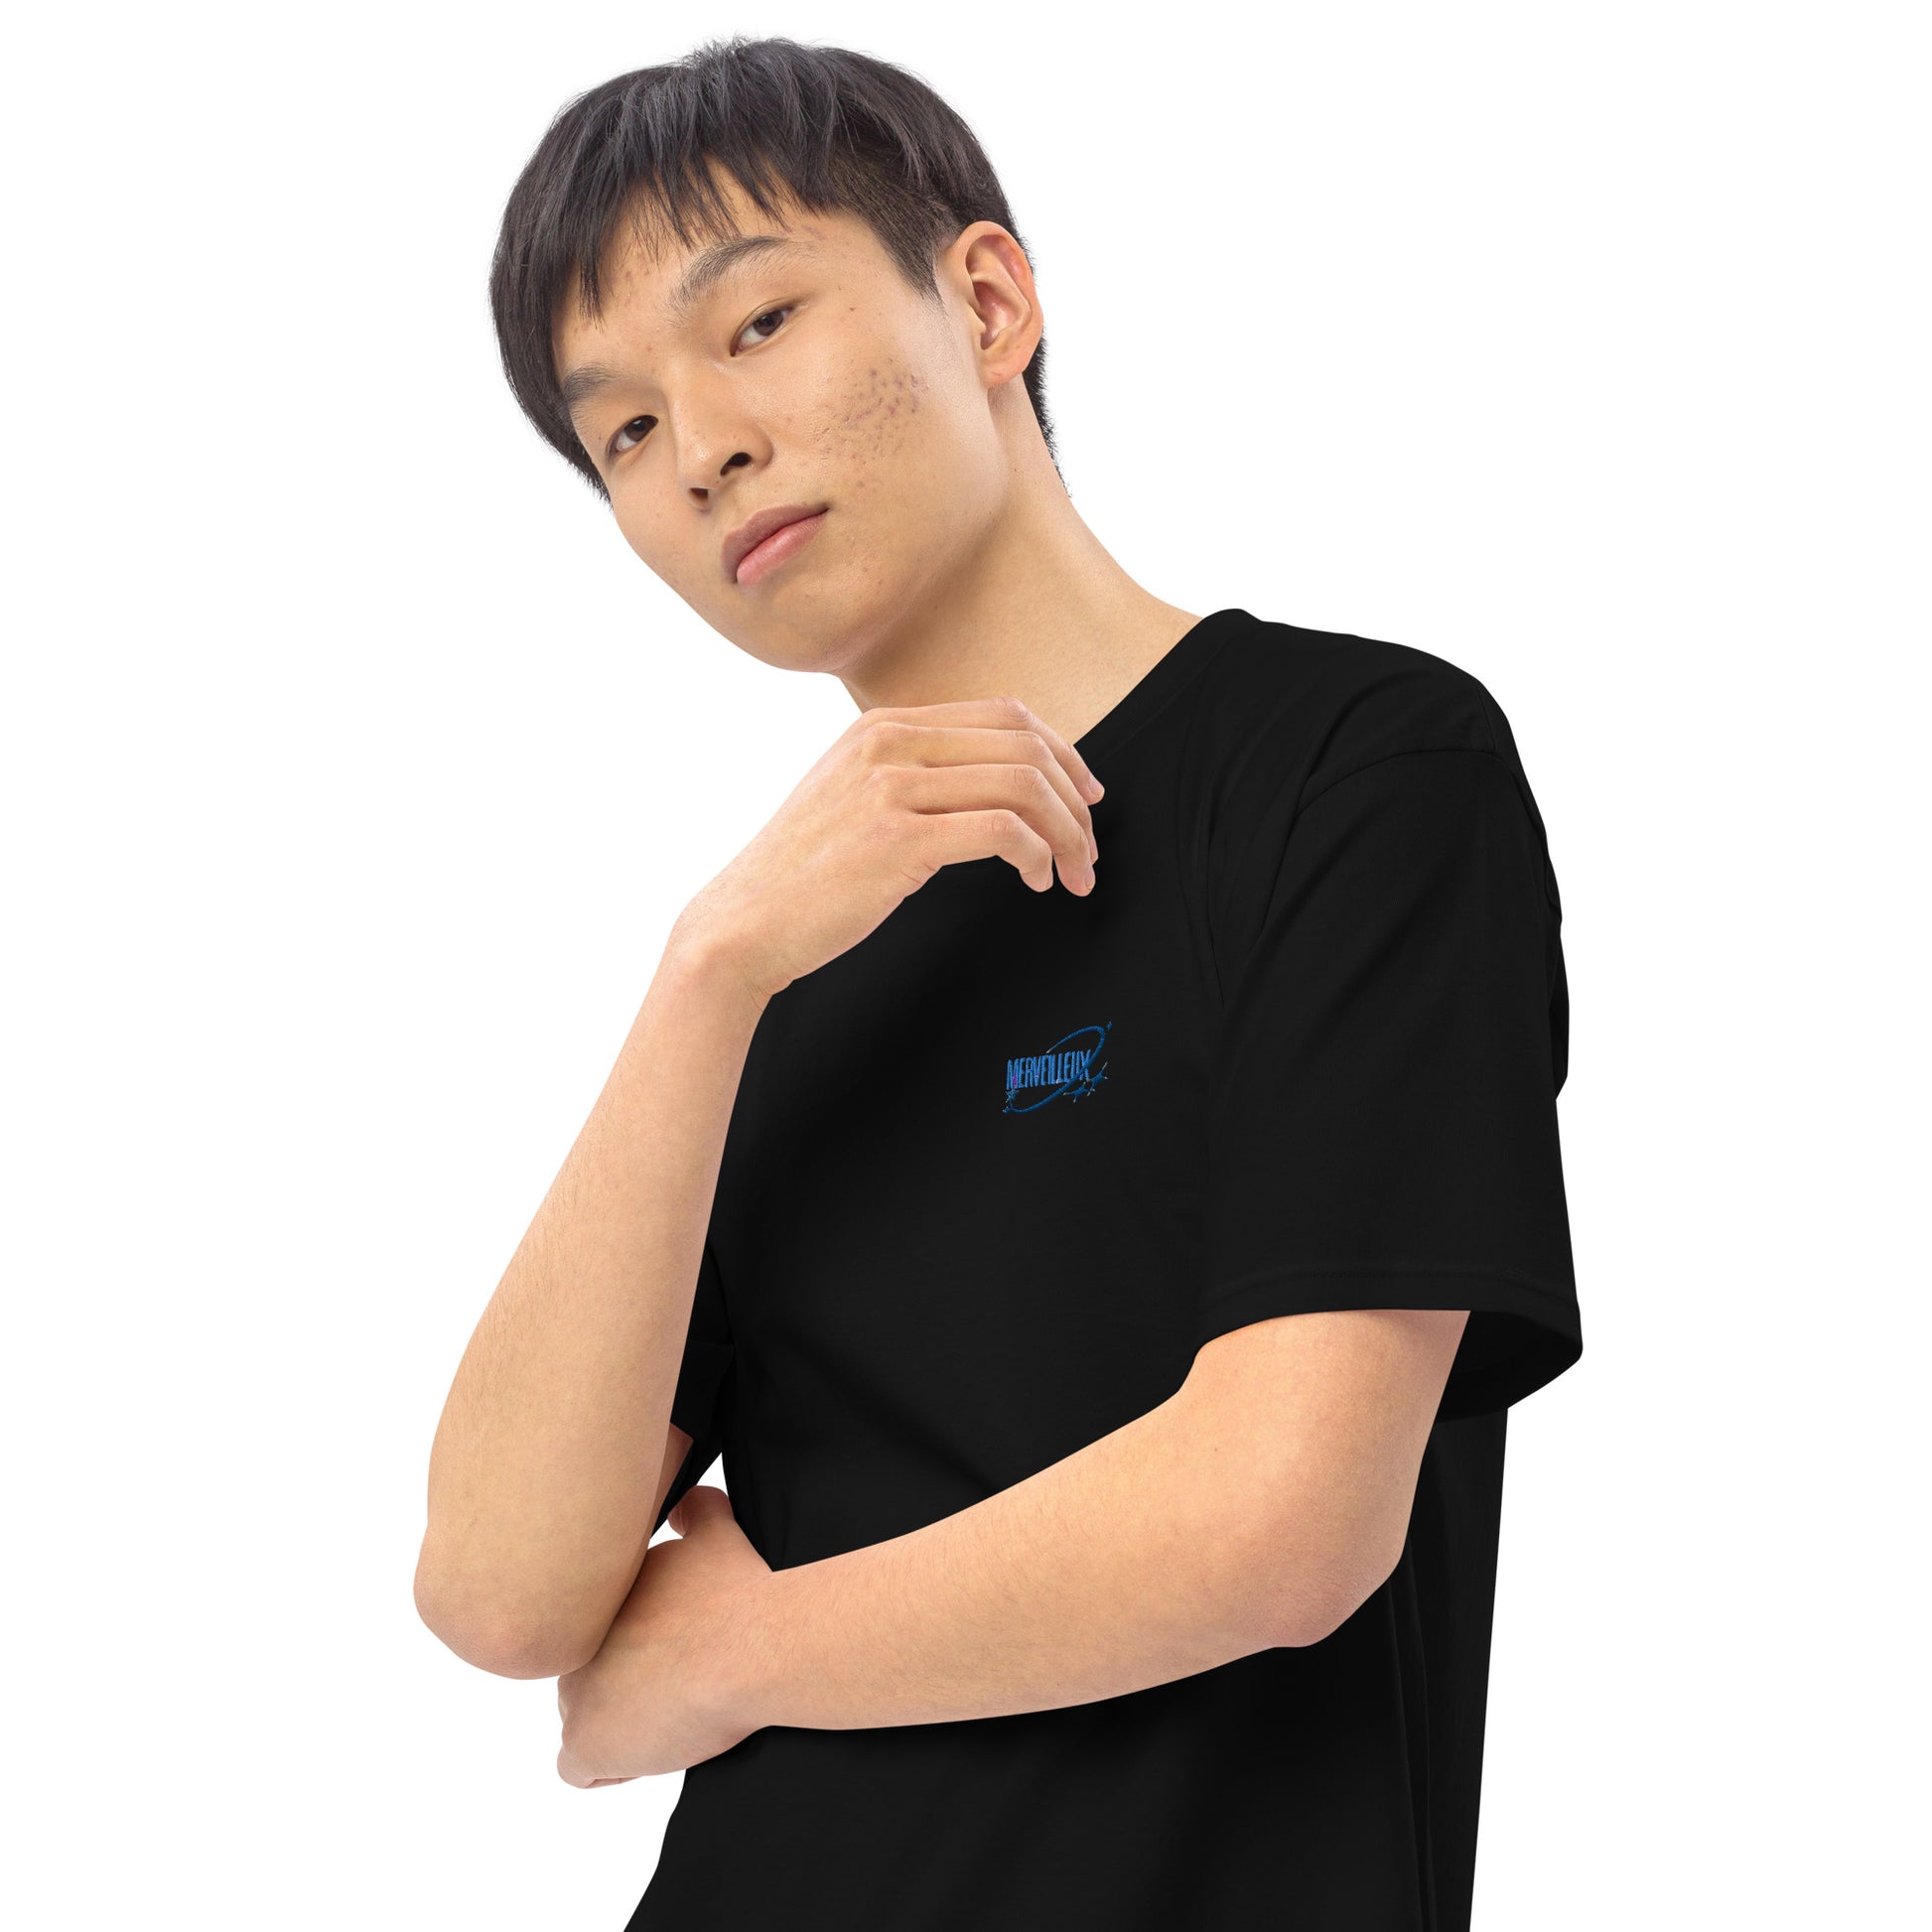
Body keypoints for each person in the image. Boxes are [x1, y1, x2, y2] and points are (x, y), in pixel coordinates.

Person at [414, 34, 1583, 1932]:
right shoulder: (778, 957)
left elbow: (1281, 1517)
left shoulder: (1354, 768)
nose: (699, 448)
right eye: (618, 431)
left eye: (756, 323)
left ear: (983, 302)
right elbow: (497, 1588)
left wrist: (731, 1653)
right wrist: (705, 974)